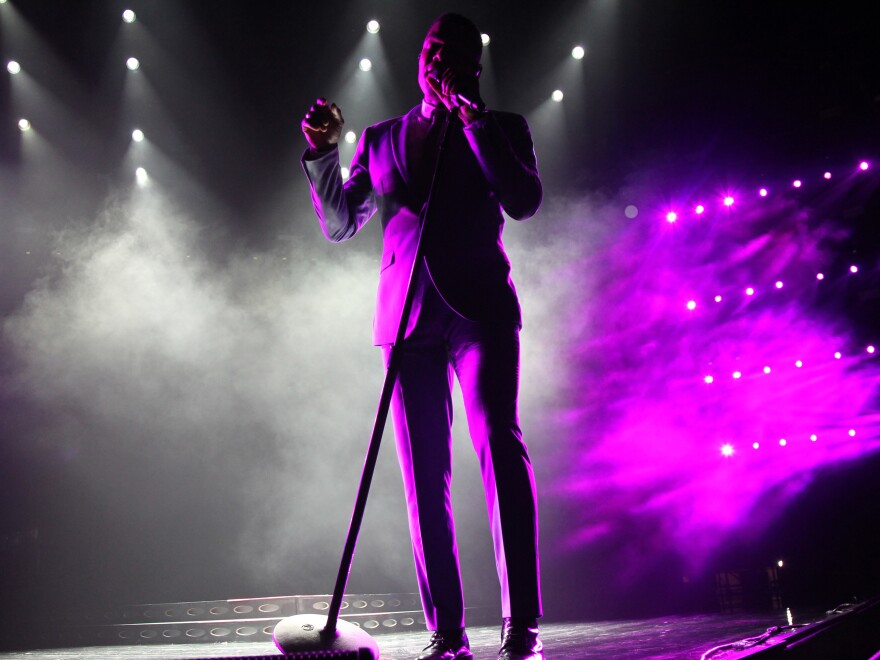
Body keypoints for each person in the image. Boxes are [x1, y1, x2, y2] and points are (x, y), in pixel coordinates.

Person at [300, 13, 544, 660]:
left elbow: (522, 199)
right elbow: (341, 222)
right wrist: (325, 154)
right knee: (423, 478)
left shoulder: (502, 128)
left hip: (479, 313)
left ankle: (522, 625)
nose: (437, 61)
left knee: (498, 446)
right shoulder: (382, 138)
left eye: (452, 53)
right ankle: (449, 631)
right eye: (430, 51)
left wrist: (473, 124)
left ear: (472, 66)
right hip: (406, 320)